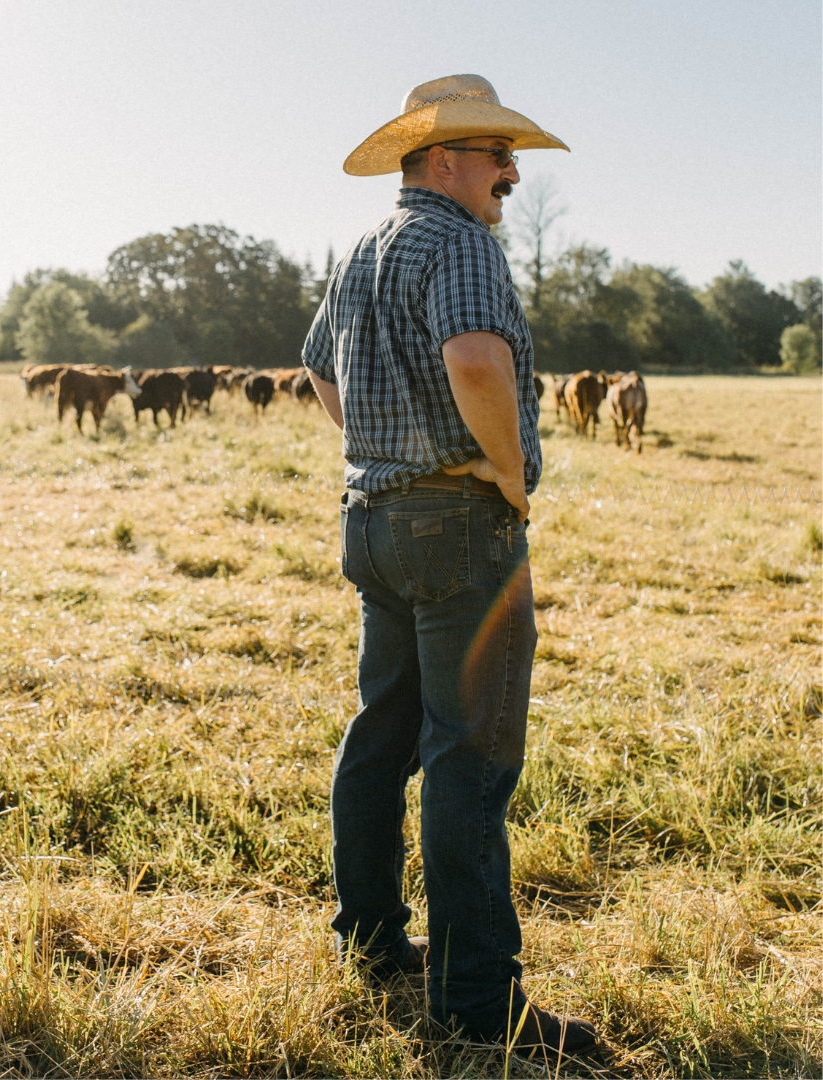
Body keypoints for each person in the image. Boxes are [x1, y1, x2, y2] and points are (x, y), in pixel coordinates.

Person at [301, 74, 599, 1053]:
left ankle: (374, 944)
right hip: (460, 529)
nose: (511, 173)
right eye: (497, 154)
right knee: (467, 762)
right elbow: (477, 360)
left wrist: (387, 451)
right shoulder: (461, 241)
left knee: (381, 738)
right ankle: (477, 1002)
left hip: (373, 522)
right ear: (443, 160)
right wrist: (504, 475)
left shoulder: (363, 249)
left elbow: (317, 370)